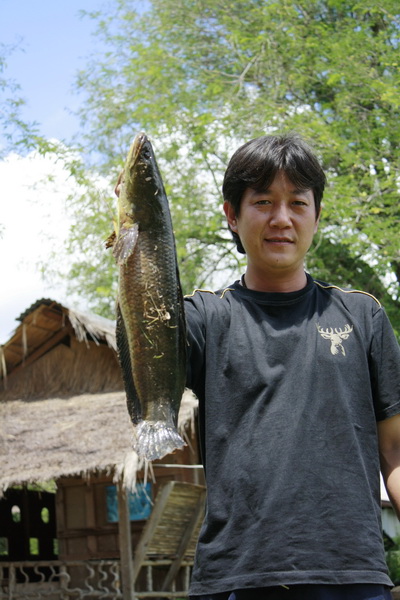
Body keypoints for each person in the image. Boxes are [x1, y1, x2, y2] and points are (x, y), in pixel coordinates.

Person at [183, 133, 400, 600]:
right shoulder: (205, 317)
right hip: (236, 577)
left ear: (317, 216)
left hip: (353, 576)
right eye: (262, 201)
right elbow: (143, 333)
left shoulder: (362, 316)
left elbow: (396, 453)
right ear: (232, 215)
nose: (281, 219)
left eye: (297, 203)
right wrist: (137, 235)